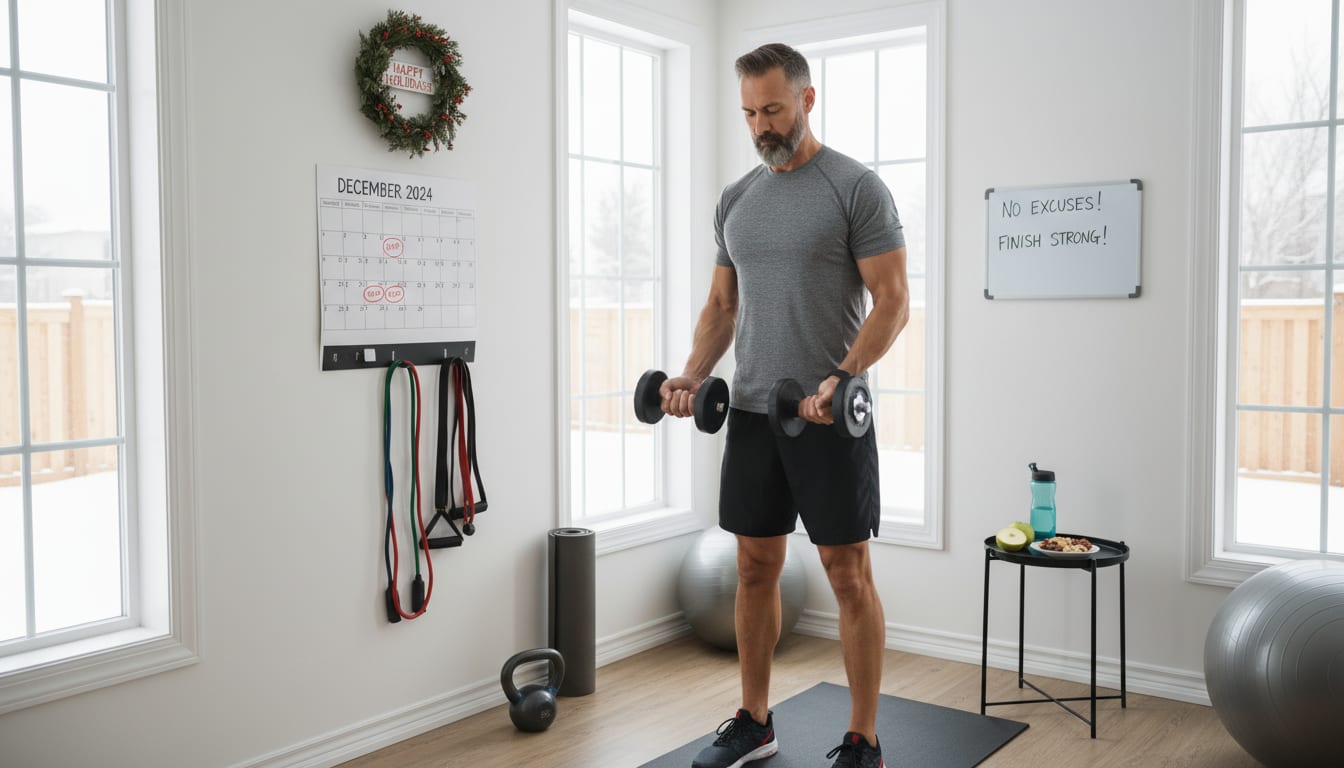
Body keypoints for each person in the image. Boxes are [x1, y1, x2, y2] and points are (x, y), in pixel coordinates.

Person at [660, 43, 910, 768]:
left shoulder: (854, 189)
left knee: (846, 574)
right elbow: (720, 305)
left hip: (828, 413)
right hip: (751, 413)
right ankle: (755, 719)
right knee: (752, 567)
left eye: (772, 108)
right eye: (748, 113)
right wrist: (688, 375)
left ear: (806, 99)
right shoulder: (737, 200)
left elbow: (892, 304)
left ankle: (863, 737)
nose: (760, 125)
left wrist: (844, 374)